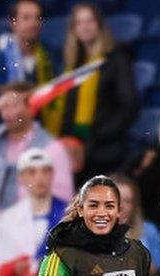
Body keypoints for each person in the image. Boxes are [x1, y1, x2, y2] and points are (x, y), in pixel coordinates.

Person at [44, 3, 138, 176]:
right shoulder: (72, 65)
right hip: (76, 153)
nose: (85, 27)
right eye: (79, 22)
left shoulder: (117, 58)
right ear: (73, 29)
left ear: (99, 25)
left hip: (107, 151)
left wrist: (98, 135)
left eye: (90, 21)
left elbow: (128, 105)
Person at [0, 81, 74, 213]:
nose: (7, 114)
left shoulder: (51, 147)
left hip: (35, 222)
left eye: (13, 105)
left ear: (31, 107)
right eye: (3, 107)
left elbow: (63, 197)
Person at [0, 148, 69, 276]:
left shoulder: (68, 215)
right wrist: (15, 274)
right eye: (31, 172)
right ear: (21, 177)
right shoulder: (9, 219)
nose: (39, 178)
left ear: (52, 174)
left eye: (45, 171)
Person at [0, 0, 57, 131]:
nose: (33, 23)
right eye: (26, 18)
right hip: (7, 131)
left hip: (47, 129)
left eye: (37, 17)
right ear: (13, 23)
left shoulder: (52, 55)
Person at [113, 174, 160, 276]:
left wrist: (147, 266)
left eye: (127, 201)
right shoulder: (94, 233)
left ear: (134, 206)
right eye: (117, 199)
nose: (121, 206)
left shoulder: (149, 231)